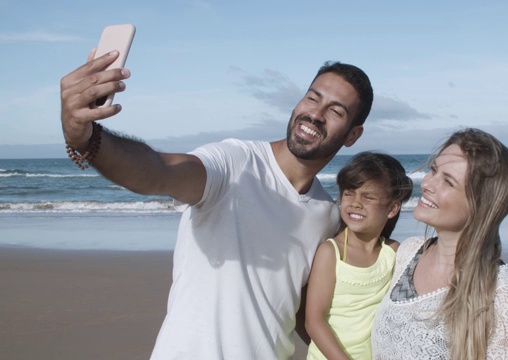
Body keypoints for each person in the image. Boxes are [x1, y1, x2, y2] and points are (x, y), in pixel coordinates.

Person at [60, 49, 374, 359]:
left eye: (336, 111)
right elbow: (157, 171)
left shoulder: (328, 214)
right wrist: (85, 139)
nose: (315, 114)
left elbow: (309, 312)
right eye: (312, 97)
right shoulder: (234, 163)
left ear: (352, 135)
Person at [371, 128, 508, 360]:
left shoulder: (503, 294)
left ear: (480, 205)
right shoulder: (410, 251)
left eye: (447, 182)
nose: (426, 184)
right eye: (433, 170)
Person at [305, 152, 413, 359]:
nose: (355, 203)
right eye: (349, 193)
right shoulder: (332, 252)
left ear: (392, 209)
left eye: (368, 197)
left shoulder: (393, 252)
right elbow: (314, 321)